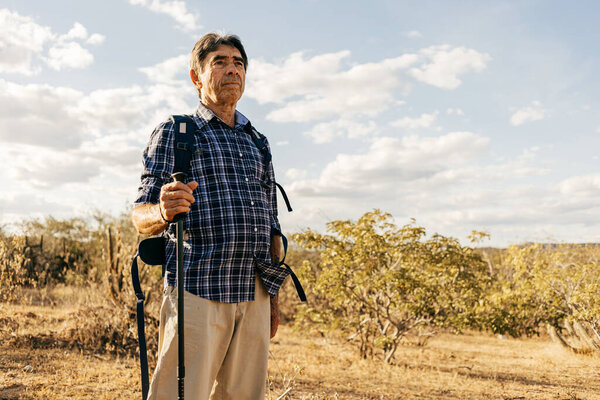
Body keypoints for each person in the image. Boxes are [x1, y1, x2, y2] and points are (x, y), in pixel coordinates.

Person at [131, 32, 289, 400]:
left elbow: (272, 223)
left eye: (239, 63)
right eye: (219, 61)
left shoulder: (258, 141)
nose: (232, 69)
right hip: (197, 290)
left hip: (254, 295)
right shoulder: (178, 131)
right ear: (196, 77)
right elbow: (140, 215)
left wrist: (273, 299)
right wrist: (163, 210)